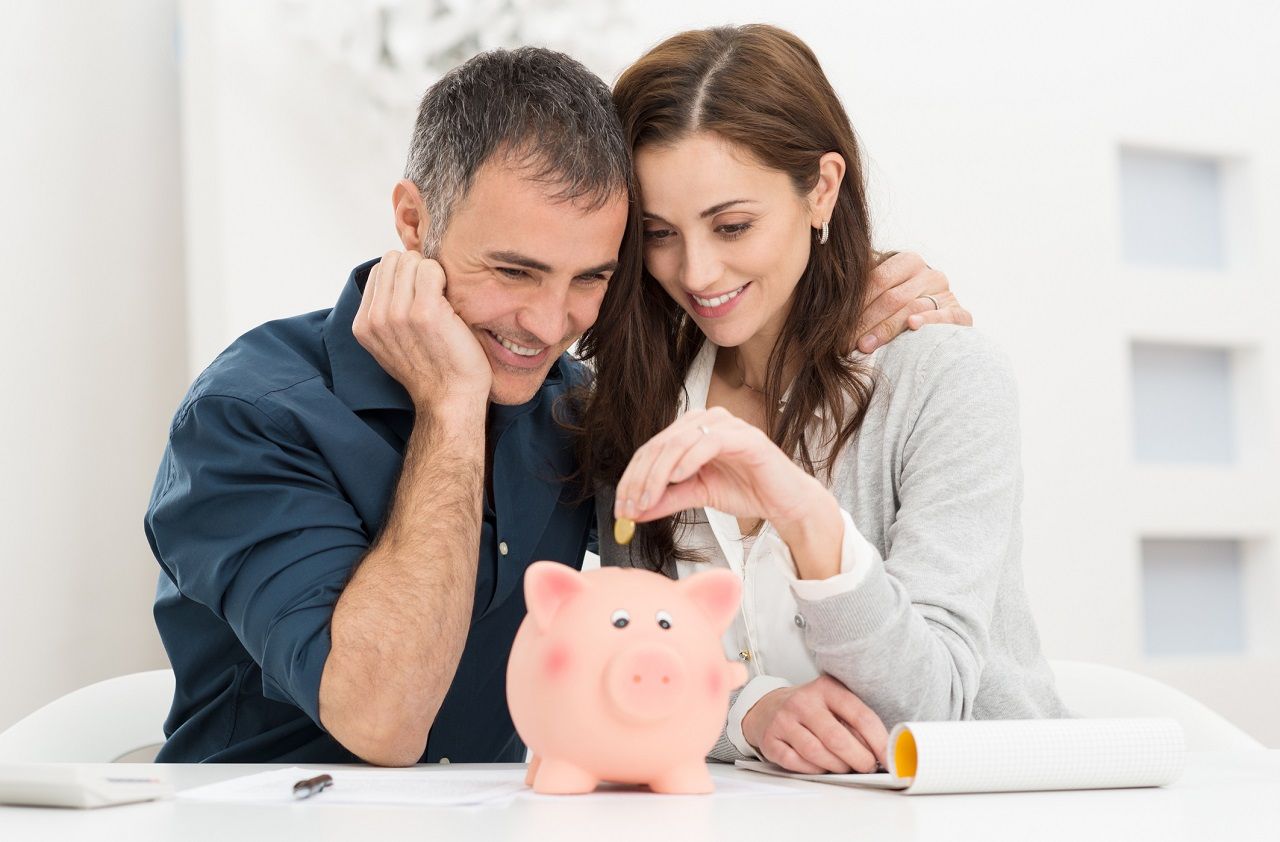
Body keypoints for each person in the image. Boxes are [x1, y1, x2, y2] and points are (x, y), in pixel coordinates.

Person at [144, 45, 963, 765]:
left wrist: (848, 293)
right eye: (513, 271)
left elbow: (647, 648)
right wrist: (452, 407)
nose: (546, 325)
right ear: (412, 220)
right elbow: (381, 722)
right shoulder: (251, 414)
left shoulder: (580, 411)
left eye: (591, 279)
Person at [582, 24, 1065, 776]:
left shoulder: (944, 378)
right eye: (658, 233)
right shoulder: (638, 401)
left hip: (991, 811)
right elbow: (619, 663)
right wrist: (747, 710)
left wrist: (808, 520)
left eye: (732, 225)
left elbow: (932, 708)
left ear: (822, 188)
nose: (697, 271)